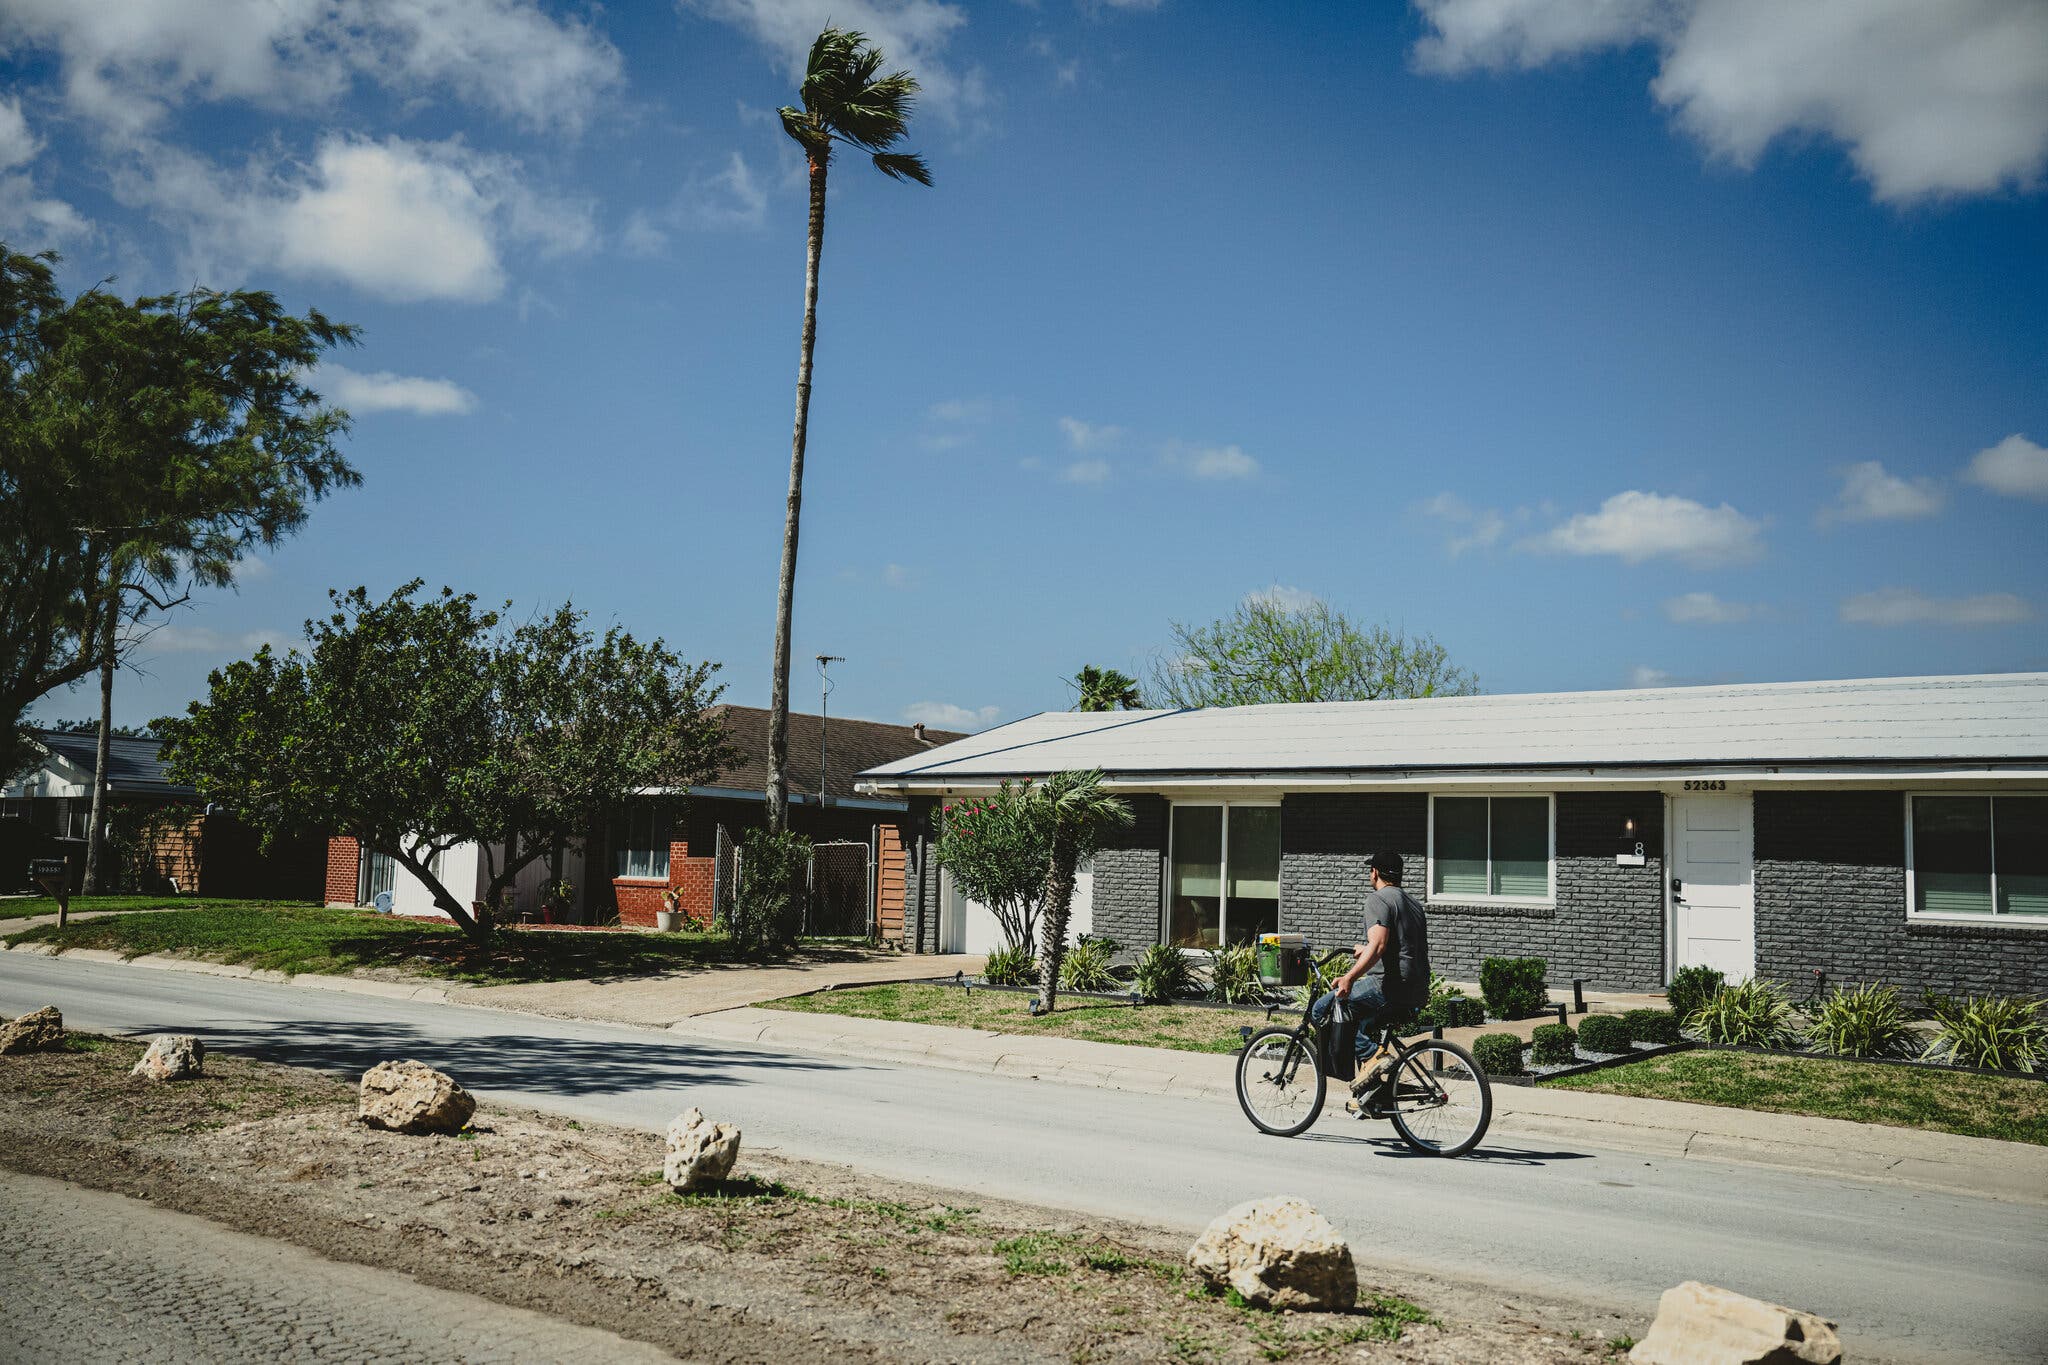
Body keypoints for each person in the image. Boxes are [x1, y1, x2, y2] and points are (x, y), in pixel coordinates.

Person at [1307, 850, 1430, 1107]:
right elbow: (1398, 946)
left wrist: (1349, 977)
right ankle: (1372, 1093)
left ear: (1375, 872)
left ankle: (1373, 1058)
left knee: (1326, 1007)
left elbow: (1380, 945)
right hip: (1417, 989)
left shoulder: (1378, 899)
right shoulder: (1413, 904)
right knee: (1362, 1024)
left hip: (1390, 985)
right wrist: (1367, 949)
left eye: (1370, 870)